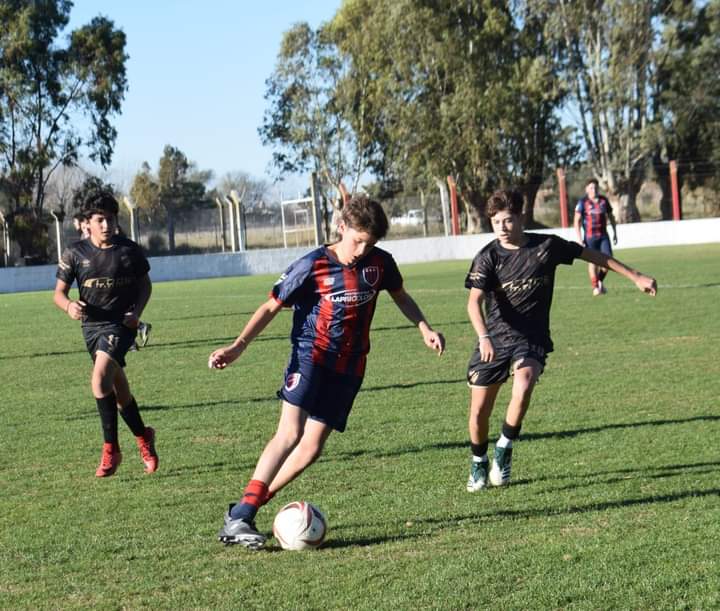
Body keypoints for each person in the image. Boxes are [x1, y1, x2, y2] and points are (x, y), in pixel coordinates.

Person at [209, 195, 445, 549]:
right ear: (341, 227)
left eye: (370, 244)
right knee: (290, 433)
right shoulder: (312, 265)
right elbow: (271, 306)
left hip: (351, 365)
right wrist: (238, 346)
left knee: (311, 449)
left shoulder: (381, 263)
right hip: (311, 357)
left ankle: (246, 509)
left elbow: (400, 296)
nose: (362, 250)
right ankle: (242, 515)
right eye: (358, 241)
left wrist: (424, 327)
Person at [465, 189, 656, 492]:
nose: (501, 227)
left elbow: (592, 255)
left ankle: (504, 447)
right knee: (478, 413)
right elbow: (473, 303)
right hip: (494, 339)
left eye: (507, 220)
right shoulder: (487, 257)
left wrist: (635, 276)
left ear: (521, 218)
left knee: (524, 383)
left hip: (531, 336)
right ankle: (478, 462)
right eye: (496, 222)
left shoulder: (546, 246)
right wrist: (484, 337)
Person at [54, 191, 158, 477]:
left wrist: (137, 313)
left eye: (111, 219)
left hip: (121, 326)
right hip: (91, 328)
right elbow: (59, 294)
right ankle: (144, 436)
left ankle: (111, 449)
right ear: (87, 222)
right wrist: (68, 306)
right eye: (100, 220)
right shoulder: (75, 253)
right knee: (120, 391)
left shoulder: (129, 250)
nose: (106, 225)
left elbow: (145, 286)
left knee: (99, 380)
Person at [574, 178, 618, 296]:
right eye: (591, 188)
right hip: (590, 237)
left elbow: (611, 217)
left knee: (609, 260)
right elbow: (576, 221)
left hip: (603, 236)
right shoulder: (582, 202)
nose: (594, 190)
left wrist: (615, 232)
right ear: (587, 189)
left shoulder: (603, 201)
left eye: (595, 187)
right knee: (592, 262)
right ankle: (595, 287)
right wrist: (579, 239)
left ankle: (599, 281)